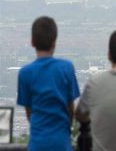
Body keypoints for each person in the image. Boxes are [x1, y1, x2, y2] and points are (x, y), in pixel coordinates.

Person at [17, 16, 80, 151]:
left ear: (32, 42)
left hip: (37, 144)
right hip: (62, 143)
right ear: (54, 41)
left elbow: (29, 112)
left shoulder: (25, 73)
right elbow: (71, 109)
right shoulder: (66, 68)